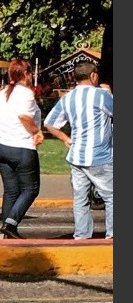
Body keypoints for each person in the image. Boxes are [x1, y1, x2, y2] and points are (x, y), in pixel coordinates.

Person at [43, 62, 113, 240]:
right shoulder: (101, 95)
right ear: (93, 75)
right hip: (100, 156)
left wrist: (65, 138)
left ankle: (81, 235)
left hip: (76, 157)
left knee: (80, 199)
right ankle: (112, 234)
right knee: (112, 196)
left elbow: (49, 123)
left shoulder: (68, 98)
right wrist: (110, 93)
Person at [0, 58, 44, 239]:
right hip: (21, 147)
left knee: (11, 190)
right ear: (26, 74)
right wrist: (37, 132)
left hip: (0, 146)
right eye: (30, 73)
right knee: (31, 189)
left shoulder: (0, 95)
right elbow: (24, 117)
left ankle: (8, 230)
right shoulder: (25, 94)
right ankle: (11, 223)